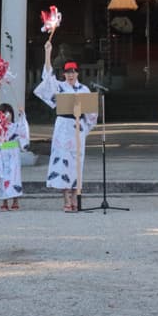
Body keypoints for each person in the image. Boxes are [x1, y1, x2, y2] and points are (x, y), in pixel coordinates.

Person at [34, 41, 96, 212]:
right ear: (64, 74)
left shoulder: (83, 90)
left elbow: (92, 114)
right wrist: (48, 53)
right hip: (63, 127)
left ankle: (76, 198)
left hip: (78, 126)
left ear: (77, 73)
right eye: (68, 72)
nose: (71, 75)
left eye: (73, 72)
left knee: (77, 162)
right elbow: (47, 78)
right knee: (63, 162)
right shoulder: (59, 87)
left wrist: (86, 126)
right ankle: (66, 199)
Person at [0, 103, 28, 211]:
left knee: (14, 176)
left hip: (13, 152)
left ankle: (15, 200)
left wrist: (22, 115)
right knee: (3, 177)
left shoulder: (15, 126)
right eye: (4, 113)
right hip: (2, 153)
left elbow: (23, 128)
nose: (6, 115)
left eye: (8, 112)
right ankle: (4, 201)